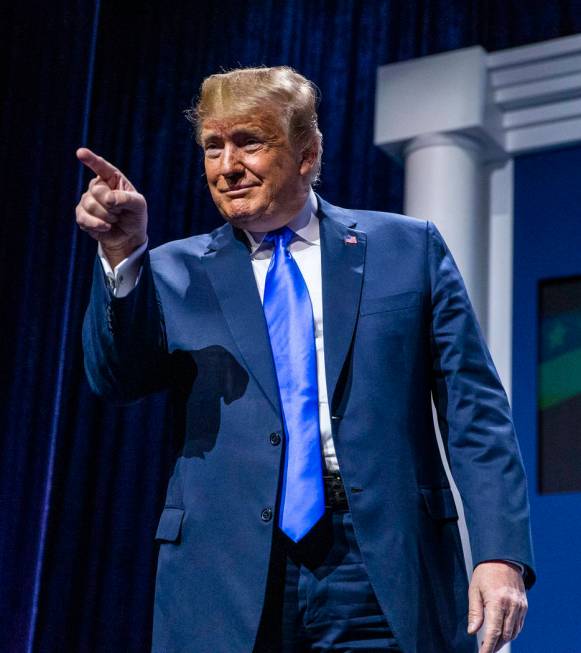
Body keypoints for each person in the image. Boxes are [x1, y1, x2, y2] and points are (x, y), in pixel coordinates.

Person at [76, 66, 535, 653]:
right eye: (213, 147)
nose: (227, 166)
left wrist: (500, 554)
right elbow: (115, 379)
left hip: (379, 564)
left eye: (250, 142)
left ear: (307, 153)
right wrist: (121, 253)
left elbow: (477, 414)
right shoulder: (170, 271)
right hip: (229, 570)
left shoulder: (406, 248)